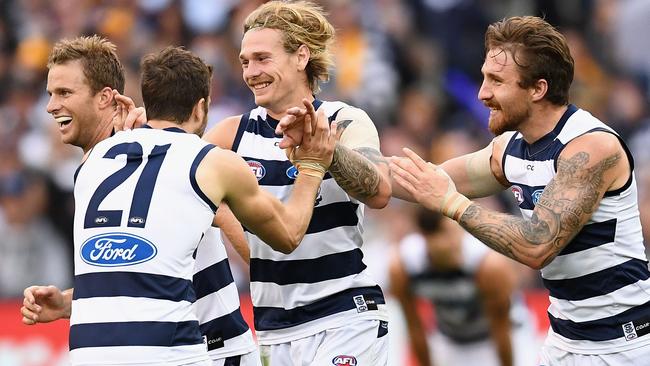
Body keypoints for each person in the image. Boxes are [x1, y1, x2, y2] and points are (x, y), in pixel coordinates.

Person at [25, 38, 336, 366]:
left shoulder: (91, 166)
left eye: (63, 93)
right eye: (51, 94)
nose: (51, 106)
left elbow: (141, 266)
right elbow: (284, 239)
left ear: (114, 99)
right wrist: (314, 164)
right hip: (182, 348)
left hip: (106, 350)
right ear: (201, 107)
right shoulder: (205, 162)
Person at [390, 16, 650, 365]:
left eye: (495, 80)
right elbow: (411, 180)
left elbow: (536, 245)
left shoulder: (590, 148)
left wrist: (451, 202)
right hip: (563, 342)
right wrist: (331, 156)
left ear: (538, 89)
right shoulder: (508, 149)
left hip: (622, 345)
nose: (482, 93)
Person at [199, 1, 392, 365]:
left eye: (262, 58)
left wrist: (326, 151)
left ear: (301, 56)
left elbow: (379, 191)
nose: (251, 72)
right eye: (244, 62)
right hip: (274, 327)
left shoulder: (343, 119)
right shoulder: (230, 136)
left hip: (345, 315)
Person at [390, 207, 538, 366]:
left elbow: (501, 329)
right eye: (444, 233)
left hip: (507, 335)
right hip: (451, 340)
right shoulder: (403, 267)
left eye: (456, 231)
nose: (454, 241)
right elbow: (414, 326)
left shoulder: (488, 264)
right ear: (424, 236)